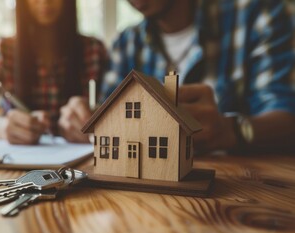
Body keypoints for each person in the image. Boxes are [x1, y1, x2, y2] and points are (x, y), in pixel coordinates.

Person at [102, 0, 295, 153]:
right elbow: (107, 114)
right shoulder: (125, 43)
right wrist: (85, 114)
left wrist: (231, 130)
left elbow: (286, 115)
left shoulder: (261, 12)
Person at [0, 0, 108, 144]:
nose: (45, 2)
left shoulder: (94, 51)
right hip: (17, 162)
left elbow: (114, 113)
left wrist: (95, 123)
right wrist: (4, 128)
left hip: (83, 163)